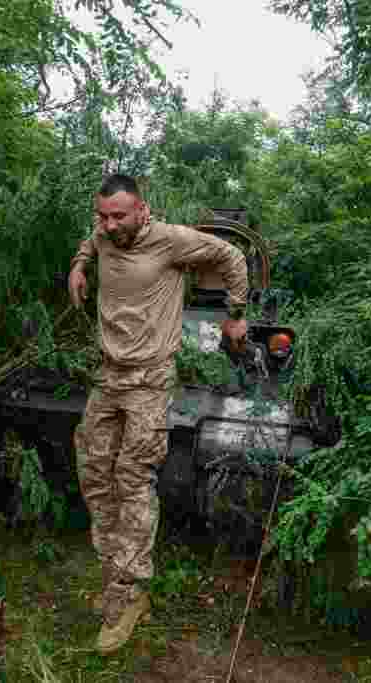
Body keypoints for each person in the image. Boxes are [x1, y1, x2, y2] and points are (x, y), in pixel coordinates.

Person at [68, 174, 249, 654]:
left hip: (149, 381)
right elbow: (91, 242)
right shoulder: (104, 234)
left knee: (132, 480)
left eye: (118, 216)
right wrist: (79, 265)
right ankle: (115, 577)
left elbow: (232, 256)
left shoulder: (171, 241)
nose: (109, 225)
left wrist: (236, 313)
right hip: (108, 376)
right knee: (93, 472)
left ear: (142, 210)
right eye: (103, 216)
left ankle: (130, 593)